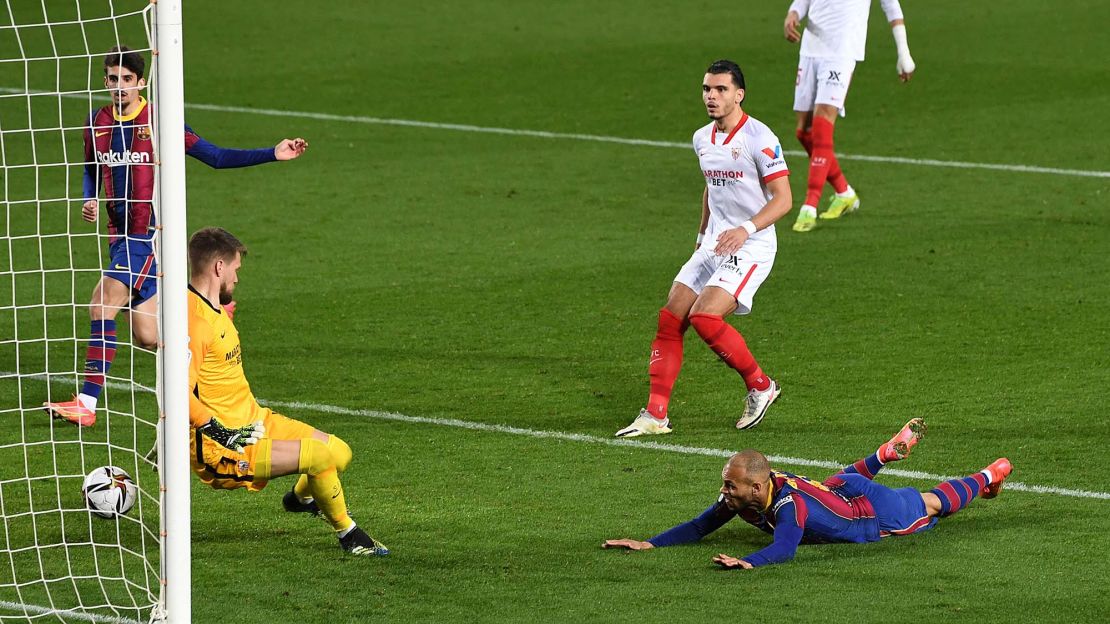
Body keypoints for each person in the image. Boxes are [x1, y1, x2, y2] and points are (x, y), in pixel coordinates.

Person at [43, 46, 308, 427]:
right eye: (113, 80)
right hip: (118, 238)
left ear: (141, 83)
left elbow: (214, 156)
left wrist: (272, 153)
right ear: (105, 81)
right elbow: (90, 169)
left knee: (101, 306)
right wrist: (88, 199)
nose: (119, 87)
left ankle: (87, 402)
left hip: (147, 237)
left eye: (127, 80)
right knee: (149, 336)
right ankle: (215, 315)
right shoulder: (96, 122)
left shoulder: (159, 121)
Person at [184, 227, 387, 556]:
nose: (237, 277)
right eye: (235, 269)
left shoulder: (214, 308)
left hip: (255, 421)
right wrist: (214, 430)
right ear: (218, 267)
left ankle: (302, 499)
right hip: (223, 449)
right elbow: (177, 390)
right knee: (318, 458)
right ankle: (350, 536)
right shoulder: (194, 323)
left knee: (339, 453)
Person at [615, 60, 792, 438]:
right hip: (713, 243)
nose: (711, 96)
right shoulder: (701, 138)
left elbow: (783, 200)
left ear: (739, 94)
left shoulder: (760, 137)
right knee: (671, 317)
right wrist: (700, 239)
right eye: (707, 89)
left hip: (753, 244)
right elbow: (711, 191)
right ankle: (655, 414)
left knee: (705, 317)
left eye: (721, 90)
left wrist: (745, 230)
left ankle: (761, 386)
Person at [603, 418, 1013, 568]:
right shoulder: (745, 495)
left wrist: (748, 561)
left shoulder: (787, 505)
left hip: (872, 511)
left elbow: (785, 548)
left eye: (730, 484)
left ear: (757, 486)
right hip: (838, 487)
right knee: (834, 485)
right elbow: (700, 526)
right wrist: (649, 543)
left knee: (930, 504)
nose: (724, 491)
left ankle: (989, 474)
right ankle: (882, 454)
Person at [786, 0, 916, 232]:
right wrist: (793, 14)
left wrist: (903, 52)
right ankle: (844, 193)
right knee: (803, 133)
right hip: (810, 49)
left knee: (822, 124)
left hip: (842, 52)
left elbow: (891, 7)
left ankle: (809, 205)